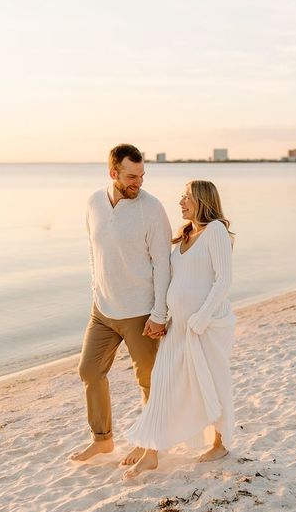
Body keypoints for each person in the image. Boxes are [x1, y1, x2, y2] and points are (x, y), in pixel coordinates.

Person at [124, 179, 235, 478]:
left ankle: (221, 443)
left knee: (212, 381)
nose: (181, 202)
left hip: (207, 326)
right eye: (182, 197)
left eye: (186, 197)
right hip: (179, 326)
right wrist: (162, 316)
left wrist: (200, 318)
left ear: (202, 200)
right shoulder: (186, 234)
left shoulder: (216, 232)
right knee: (162, 382)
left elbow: (223, 280)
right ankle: (151, 453)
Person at [70, 144, 172, 465]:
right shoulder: (94, 203)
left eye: (142, 176)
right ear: (113, 172)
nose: (138, 182)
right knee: (89, 370)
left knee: (148, 381)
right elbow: (93, 249)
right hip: (102, 309)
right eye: (131, 176)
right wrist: (95, 287)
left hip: (140, 312)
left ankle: (150, 445)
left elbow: (163, 264)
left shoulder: (152, 208)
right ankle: (103, 440)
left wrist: (159, 314)